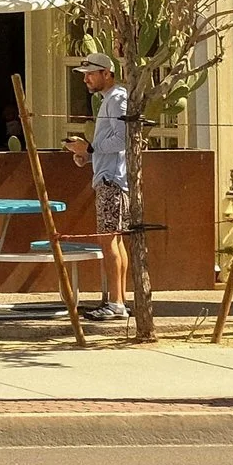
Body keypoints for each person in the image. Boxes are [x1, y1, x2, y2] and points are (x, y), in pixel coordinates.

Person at [76, 52, 131, 323]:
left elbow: (123, 139)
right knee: (114, 240)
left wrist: (91, 148)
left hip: (112, 180)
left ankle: (116, 303)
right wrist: (87, 155)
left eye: (91, 74)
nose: (86, 79)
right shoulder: (109, 99)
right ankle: (118, 300)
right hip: (109, 177)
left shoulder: (117, 98)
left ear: (106, 73)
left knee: (108, 241)